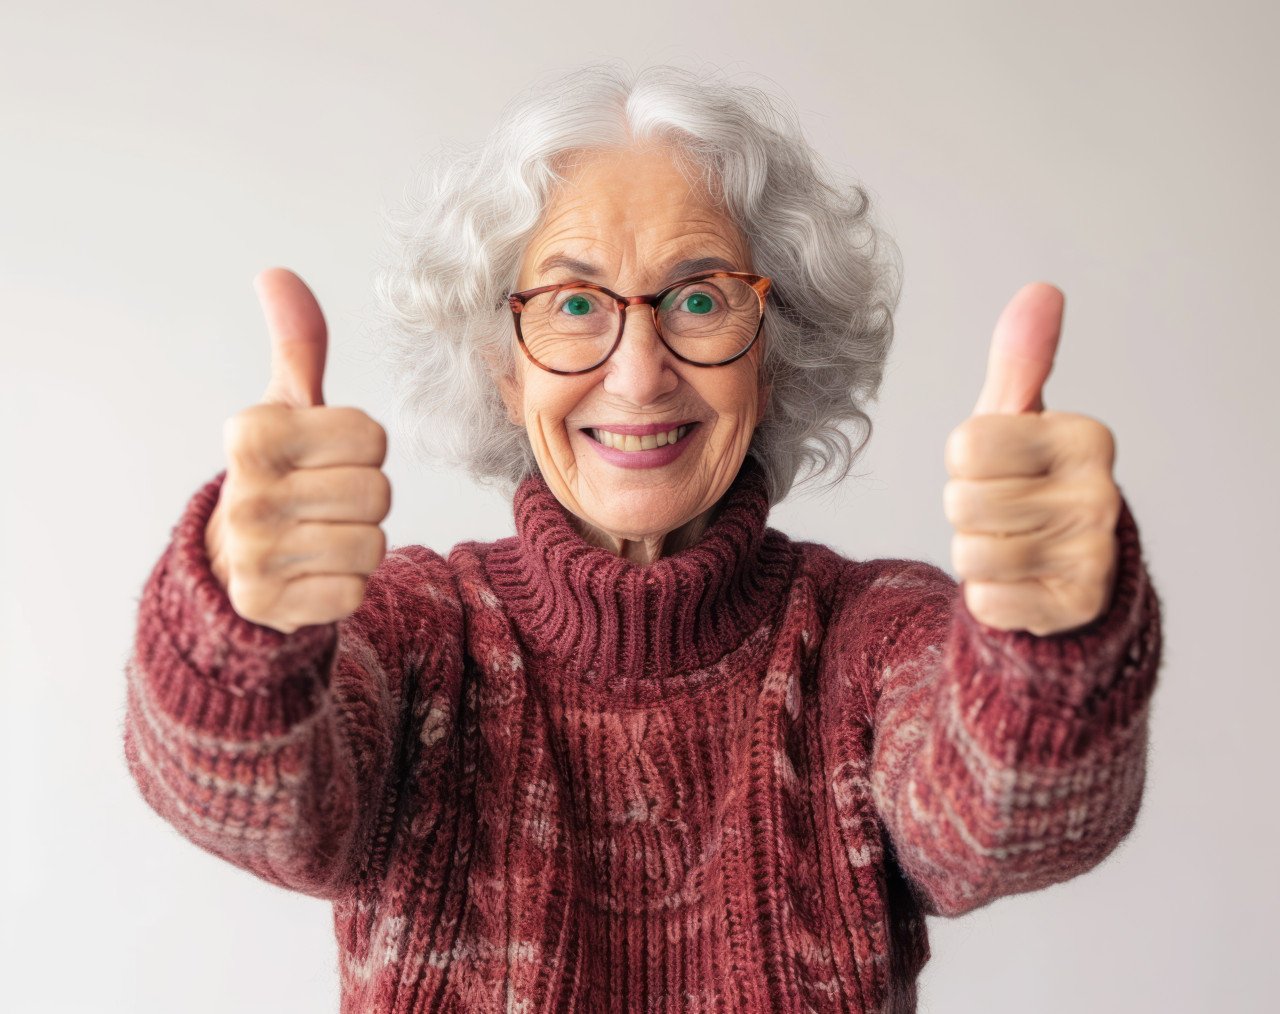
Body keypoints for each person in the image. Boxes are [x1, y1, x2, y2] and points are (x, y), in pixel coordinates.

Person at [121, 62, 1163, 1013]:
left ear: (775, 353)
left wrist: (1044, 650)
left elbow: (1008, 821)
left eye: (700, 298)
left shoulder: (867, 639)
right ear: (502, 362)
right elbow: (249, 801)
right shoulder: (411, 635)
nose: (636, 372)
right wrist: (242, 633)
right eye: (575, 302)